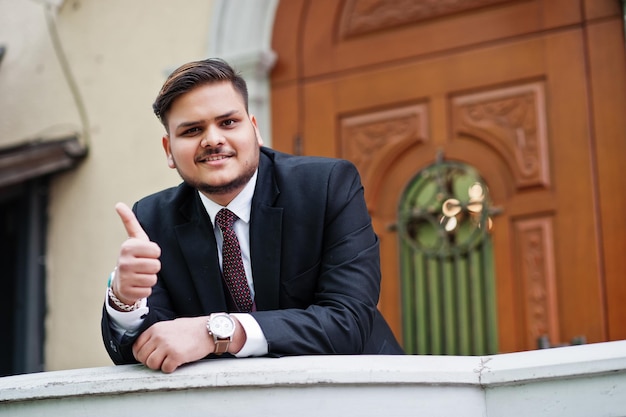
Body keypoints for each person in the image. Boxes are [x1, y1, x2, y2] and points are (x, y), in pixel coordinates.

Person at [101, 58, 404, 373]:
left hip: (359, 393)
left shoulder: (327, 186)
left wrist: (219, 332)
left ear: (255, 130)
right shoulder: (151, 218)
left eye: (228, 122)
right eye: (192, 130)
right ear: (168, 150)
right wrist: (124, 300)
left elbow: (348, 323)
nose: (213, 139)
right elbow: (152, 347)